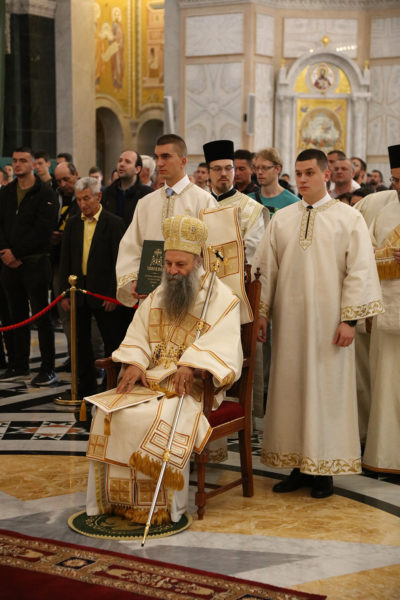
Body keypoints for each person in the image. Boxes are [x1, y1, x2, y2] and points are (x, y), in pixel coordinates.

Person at [86, 215, 243, 524]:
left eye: (180, 265)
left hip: (190, 387)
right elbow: (138, 334)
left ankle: (162, 507)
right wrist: (135, 362)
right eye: (168, 263)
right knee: (106, 412)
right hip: (150, 381)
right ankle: (115, 501)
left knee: (158, 416)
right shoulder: (158, 294)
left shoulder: (220, 298)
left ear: (197, 261)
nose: (172, 271)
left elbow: (225, 345)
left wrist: (191, 364)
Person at [254, 148, 383, 499]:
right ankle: (298, 465)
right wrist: (262, 313)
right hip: (289, 327)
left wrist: (349, 320)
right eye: (298, 173)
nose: (302, 179)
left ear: (326, 175)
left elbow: (359, 270)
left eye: (309, 172)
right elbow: (266, 269)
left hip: (330, 327)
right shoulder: (282, 219)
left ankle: (324, 470)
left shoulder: (348, 218)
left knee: (327, 394)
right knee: (291, 391)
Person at [116, 134, 217, 306]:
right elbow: (131, 246)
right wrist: (133, 278)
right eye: (157, 157)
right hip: (150, 297)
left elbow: (213, 253)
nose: (159, 163)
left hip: (190, 297)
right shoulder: (146, 203)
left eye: (166, 156)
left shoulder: (204, 201)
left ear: (183, 161)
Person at [59, 177, 127, 398]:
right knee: (80, 342)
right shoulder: (73, 223)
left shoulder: (114, 223)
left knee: (111, 340)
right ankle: (85, 385)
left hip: (104, 291)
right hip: (78, 291)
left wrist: (113, 294)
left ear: (98, 196)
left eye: (86, 198)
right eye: (79, 199)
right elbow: (65, 259)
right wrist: (64, 293)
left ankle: (111, 385)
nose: (82, 204)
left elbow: (120, 261)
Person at [0, 147, 58, 384]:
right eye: (15, 160)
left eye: (23, 160)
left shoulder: (45, 193)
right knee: (16, 316)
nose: (18, 164)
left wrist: (17, 252)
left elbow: (43, 231)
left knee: (41, 317)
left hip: (35, 262)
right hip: (9, 264)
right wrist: (5, 251)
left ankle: (47, 367)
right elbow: (1, 225)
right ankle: (19, 364)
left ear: (33, 164)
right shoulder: (6, 192)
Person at [362, 144, 400, 474]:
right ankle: (386, 457)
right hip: (387, 308)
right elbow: (366, 247)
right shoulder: (382, 206)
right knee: (386, 383)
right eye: (395, 179)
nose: (397, 186)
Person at [203, 139, 269, 265]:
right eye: (217, 169)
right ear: (208, 172)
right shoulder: (199, 202)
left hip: (237, 274)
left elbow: (254, 250)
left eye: (228, 168)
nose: (223, 173)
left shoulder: (252, 209)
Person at [101, 150, 153, 229]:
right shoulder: (107, 193)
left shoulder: (147, 194)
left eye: (127, 162)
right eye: (120, 161)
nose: (121, 164)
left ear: (137, 169)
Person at [249, 148, 298, 217]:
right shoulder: (249, 200)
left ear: (277, 169)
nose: (259, 172)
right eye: (257, 168)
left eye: (264, 167)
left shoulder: (293, 202)